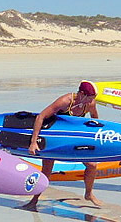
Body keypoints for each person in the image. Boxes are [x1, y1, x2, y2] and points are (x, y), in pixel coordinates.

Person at [22, 80, 102, 209]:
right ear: (81, 93)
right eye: (89, 98)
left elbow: (95, 121)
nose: (90, 101)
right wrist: (33, 142)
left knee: (92, 165)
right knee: (47, 171)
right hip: (53, 137)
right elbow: (41, 117)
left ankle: (88, 194)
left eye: (93, 99)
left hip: (73, 137)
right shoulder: (65, 101)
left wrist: (93, 140)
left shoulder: (90, 104)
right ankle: (34, 201)